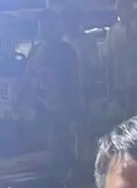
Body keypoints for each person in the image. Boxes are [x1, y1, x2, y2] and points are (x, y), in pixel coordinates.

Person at [23, 10, 83, 175]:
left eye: (48, 25)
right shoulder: (37, 50)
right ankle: (54, 171)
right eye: (42, 25)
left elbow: (74, 80)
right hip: (42, 105)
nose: (45, 29)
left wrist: (75, 103)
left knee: (61, 139)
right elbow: (27, 75)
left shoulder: (66, 50)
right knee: (48, 141)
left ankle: (64, 171)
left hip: (62, 104)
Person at [108, 0, 137, 118]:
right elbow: (110, 56)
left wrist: (128, 22)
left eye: (125, 7)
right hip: (120, 81)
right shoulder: (113, 30)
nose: (122, 11)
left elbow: (135, 38)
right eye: (120, 8)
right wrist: (110, 85)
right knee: (124, 115)